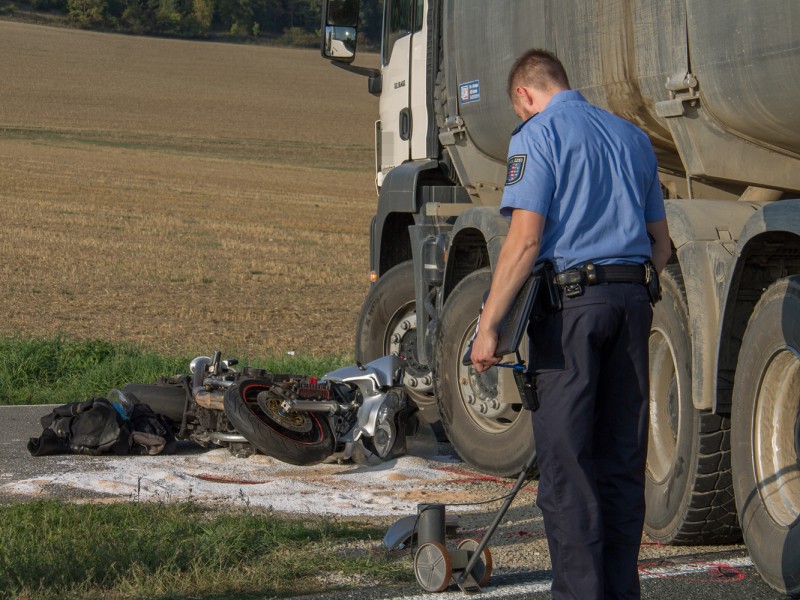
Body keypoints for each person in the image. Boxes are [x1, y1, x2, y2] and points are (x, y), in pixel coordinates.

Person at [469, 48, 672, 599]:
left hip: (572, 310)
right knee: (620, 462)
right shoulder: (632, 138)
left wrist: (489, 326)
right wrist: (625, 286)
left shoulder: (536, 135)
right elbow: (662, 245)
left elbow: (526, 240)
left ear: (524, 97)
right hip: (632, 303)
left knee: (566, 466)